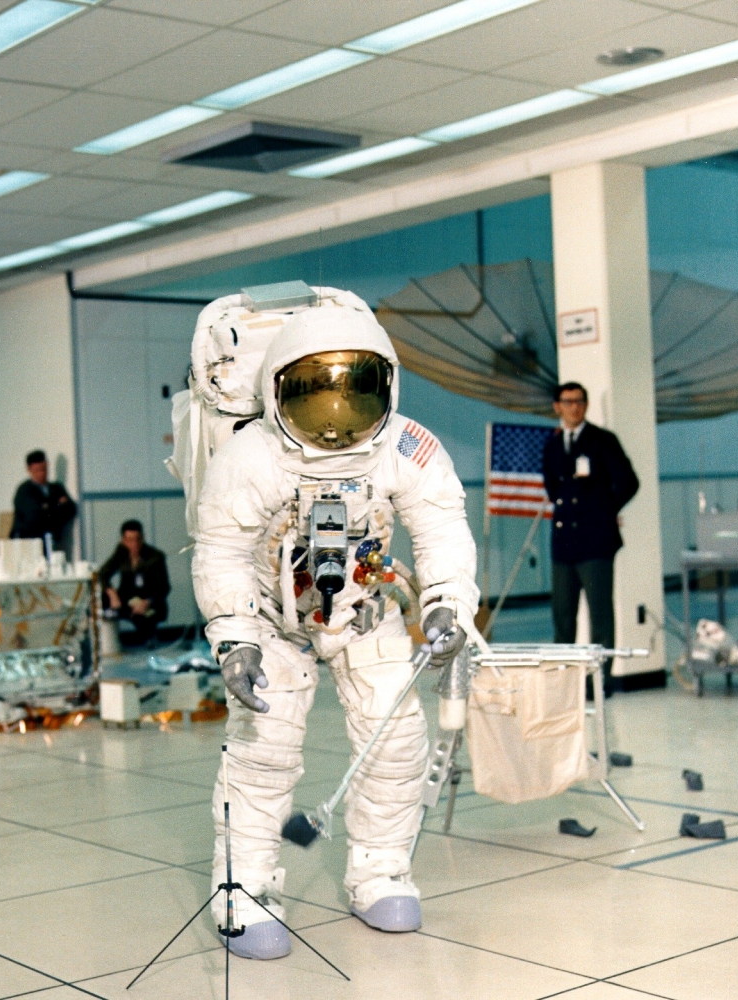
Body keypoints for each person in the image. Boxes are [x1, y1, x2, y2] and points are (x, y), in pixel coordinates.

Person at [193, 293, 479, 961]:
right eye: (315, 393)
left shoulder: (403, 445)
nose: (334, 419)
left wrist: (444, 602)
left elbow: (441, 526)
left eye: (353, 393)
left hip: (364, 607)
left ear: (385, 385)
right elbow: (222, 549)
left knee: (397, 740)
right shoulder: (253, 454)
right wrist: (233, 636)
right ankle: (245, 888)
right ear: (278, 388)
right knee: (264, 752)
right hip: (272, 620)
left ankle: (380, 872)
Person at [542, 382, 639, 695]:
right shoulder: (553, 443)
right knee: (563, 618)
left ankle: (601, 681)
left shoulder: (602, 440)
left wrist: (602, 511)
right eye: (568, 402)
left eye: (580, 401)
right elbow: (553, 488)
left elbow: (628, 482)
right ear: (557, 406)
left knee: (600, 616)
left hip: (595, 544)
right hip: (564, 545)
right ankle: (565, 682)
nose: (575, 407)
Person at [98, 520, 170, 646]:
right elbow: (102, 574)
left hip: (148, 601)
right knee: (101, 599)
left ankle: (149, 637)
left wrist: (147, 602)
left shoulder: (155, 556)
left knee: (146, 620)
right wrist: (111, 592)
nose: (135, 544)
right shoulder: (121, 552)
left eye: (138, 539)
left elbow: (164, 587)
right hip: (127, 598)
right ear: (123, 541)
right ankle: (105, 640)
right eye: (130, 540)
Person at [11, 450, 77, 545]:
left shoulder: (56, 488)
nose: (42, 473)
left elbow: (71, 509)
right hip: (28, 543)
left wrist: (47, 508)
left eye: (44, 469)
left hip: (51, 541)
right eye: (37, 470)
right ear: (29, 470)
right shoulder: (24, 491)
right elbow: (34, 516)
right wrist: (58, 506)